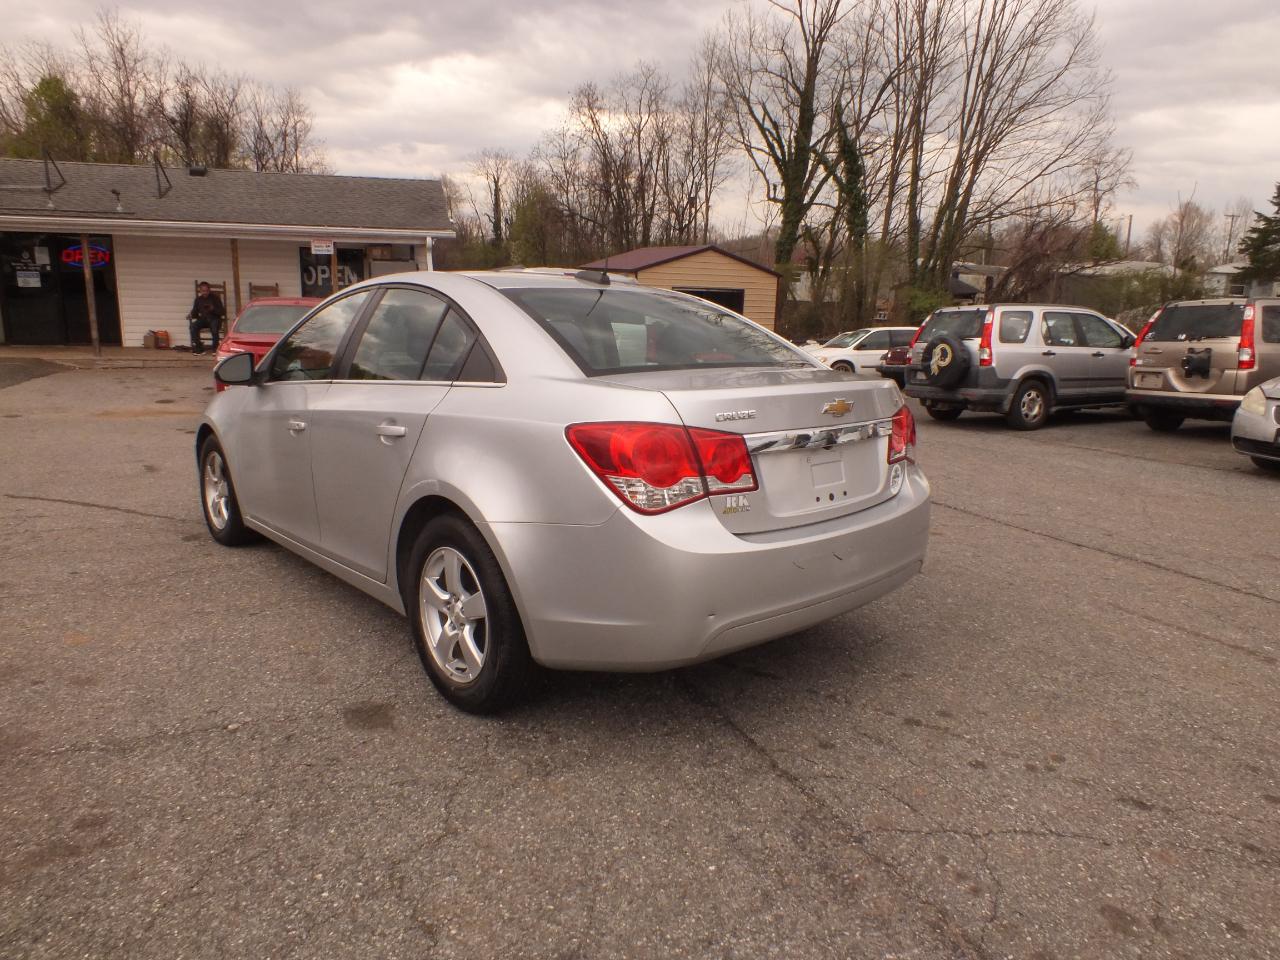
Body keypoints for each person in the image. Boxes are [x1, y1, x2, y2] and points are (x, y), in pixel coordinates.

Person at [188, 281, 226, 354]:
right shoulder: (198, 300)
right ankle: (199, 348)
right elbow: (195, 313)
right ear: (200, 291)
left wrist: (213, 309)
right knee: (193, 326)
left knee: (214, 328)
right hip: (203, 320)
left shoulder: (215, 298)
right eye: (203, 291)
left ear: (209, 290)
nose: (205, 292)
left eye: (206, 291)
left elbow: (222, 312)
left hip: (214, 319)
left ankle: (215, 348)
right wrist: (191, 314)